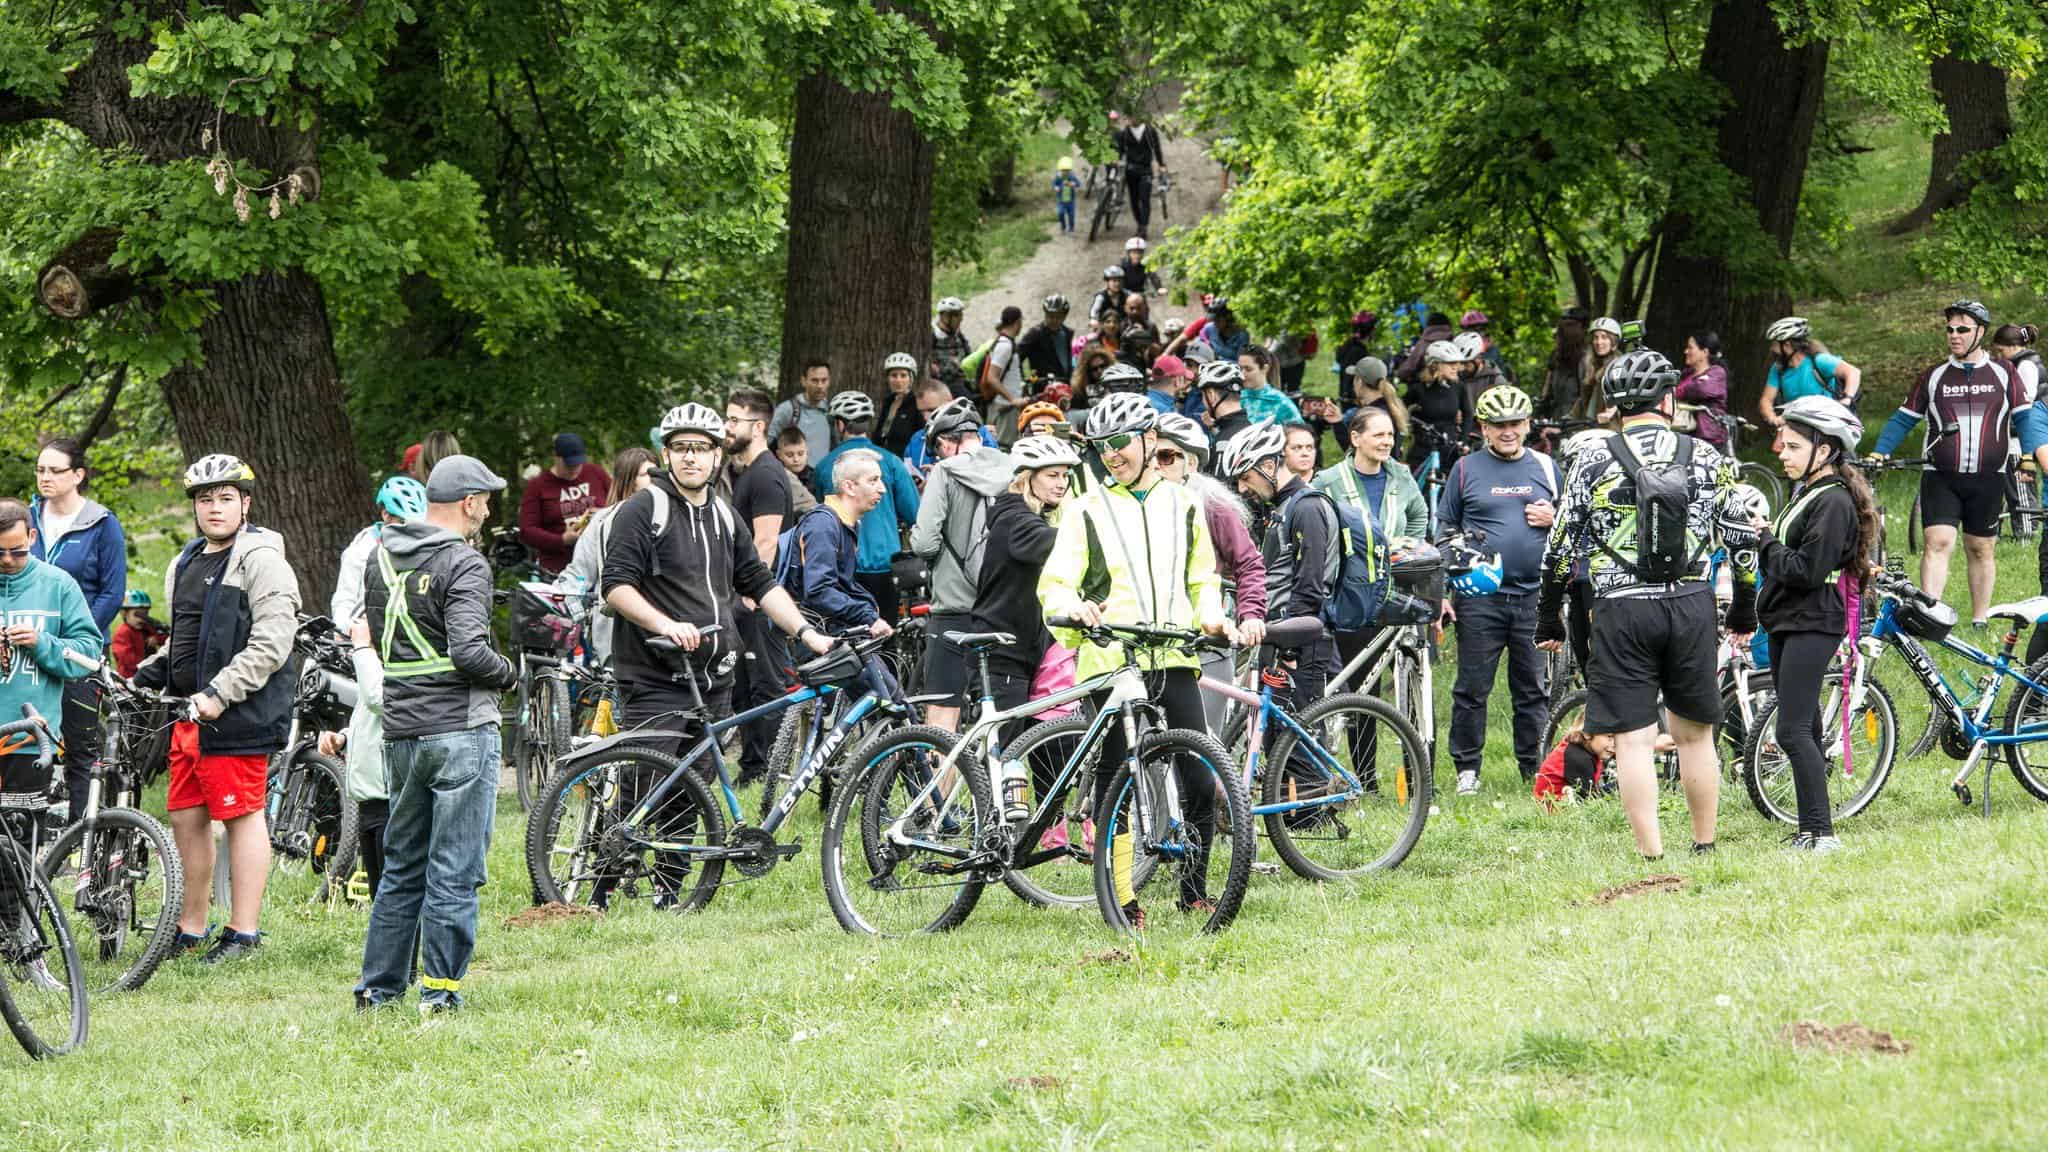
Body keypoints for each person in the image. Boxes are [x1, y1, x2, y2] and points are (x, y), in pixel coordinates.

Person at [600, 405, 833, 899]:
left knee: (693, 790)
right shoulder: (643, 509)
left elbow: (759, 582)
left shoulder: (726, 515)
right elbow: (615, 587)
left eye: (701, 448)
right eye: (681, 448)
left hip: (714, 676)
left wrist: (807, 634)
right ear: (667, 454)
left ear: (715, 457)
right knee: (644, 783)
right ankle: (597, 885)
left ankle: (670, 890)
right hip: (655, 671)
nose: (690, 458)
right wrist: (666, 624)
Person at [1537, 350, 1757, 861]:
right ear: (1668, 398)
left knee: (1634, 740)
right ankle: (1705, 844)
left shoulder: (1592, 459)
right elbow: (1741, 540)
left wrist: (1549, 615)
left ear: (1613, 407)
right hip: (1690, 604)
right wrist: (1744, 608)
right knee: (1695, 736)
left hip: (1621, 609)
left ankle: (1651, 855)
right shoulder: (1706, 455)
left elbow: (1561, 546)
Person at [1040, 394, 1231, 925]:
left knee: (1197, 774)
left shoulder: (1184, 502)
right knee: (1115, 779)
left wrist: (1212, 616)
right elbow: (1054, 584)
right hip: (1112, 657)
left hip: (1172, 652)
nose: (1111, 455)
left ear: (1150, 439)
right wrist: (1072, 608)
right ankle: (1121, 898)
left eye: (1121, 442)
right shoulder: (1085, 509)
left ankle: (1193, 890)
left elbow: (1202, 578)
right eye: (1101, 447)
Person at [351, 455, 517, 1011]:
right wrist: (510, 673)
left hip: (400, 731)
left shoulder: (381, 558)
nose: (488, 511)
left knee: (402, 864)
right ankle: (440, 993)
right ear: (468, 502)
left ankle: (378, 990)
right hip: (460, 730)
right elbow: (470, 651)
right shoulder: (463, 562)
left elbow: (378, 641)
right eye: (486, 501)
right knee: (455, 867)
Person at [134, 454, 301, 963]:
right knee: (186, 816)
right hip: (189, 714)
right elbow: (185, 639)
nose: (215, 507)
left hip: (238, 711)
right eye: (205, 499)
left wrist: (219, 693)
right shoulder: (184, 561)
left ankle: (243, 933)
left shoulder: (261, 559)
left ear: (245, 503)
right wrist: (145, 674)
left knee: (242, 816)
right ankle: (191, 927)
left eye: (226, 498)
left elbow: (274, 641)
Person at [1748, 395, 1877, 853]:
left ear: (1824, 451)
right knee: (1800, 726)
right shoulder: (1810, 494)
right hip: (1789, 620)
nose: (1781, 452)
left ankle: (1821, 834)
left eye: (1794, 446)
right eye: (1783, 444)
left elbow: (1804, 569)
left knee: (1792, 729)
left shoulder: (1834, 502)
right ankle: (1812, 828)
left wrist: (1764, 539)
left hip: (1813, 620)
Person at [1871, 300, 2024, 626]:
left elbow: (2027, 418)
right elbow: (1903, 419)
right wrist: (1880, 451)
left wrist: (2032, 456)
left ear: (1980, 332)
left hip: (1988, 476)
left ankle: (1980, 619)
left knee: (1980, 548)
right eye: (1950, 330)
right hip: (1940, 476)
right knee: (1937, 543)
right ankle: (1932, 616)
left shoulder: (2004, 372)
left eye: (1962, 330)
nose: (1954, 336)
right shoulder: (1934, 376)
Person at [1438, 385, 1559, 792]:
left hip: (1533, 596)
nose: (1508, 431)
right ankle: (1467, 770)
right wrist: (1453, 572)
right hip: (1480, 598)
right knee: (1473, 687)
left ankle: (1533, 766)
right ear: (1484, 429)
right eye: (1499, 425)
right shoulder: (1465, 469)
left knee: (1532, 689)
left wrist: (1553, 518)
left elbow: (1574, 525)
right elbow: (1444, 530)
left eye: (1515, 423)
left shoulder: (1545, 466)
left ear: (1527, 425)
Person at [1220, 420, 1337, 772]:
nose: (1242, 487)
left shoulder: (1308, 507)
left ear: (1268, 466)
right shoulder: (1281, 509)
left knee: (1297, 737)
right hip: (1280, 635)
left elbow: (1310, 586)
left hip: (1303, 639)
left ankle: (1311, 815)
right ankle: (1286, 815)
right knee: (1275, 735)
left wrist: (1290, 648)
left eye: (1245, 476)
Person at [29, 437, 126, 824]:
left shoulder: (102, 524)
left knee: (81, 746)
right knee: (25, 742)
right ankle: (26, 837)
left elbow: (112, 591)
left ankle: (80, 839)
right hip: (27, 651)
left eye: (55, 470)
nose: (45, 477)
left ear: (78, 475)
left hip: (78, 653)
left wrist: (73, 636)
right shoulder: (27, 520)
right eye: (40, 470)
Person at [1155, 415, 1267, 735]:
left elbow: (1248, 563)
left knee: (1202, 747)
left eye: (1166, 457)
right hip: (1155, 641)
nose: (1156, 465)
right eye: (1152, 456)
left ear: (1190, 463)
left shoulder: (1213, 505)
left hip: (1206, 643)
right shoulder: (1139, 504)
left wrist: (1251, 615)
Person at [909, 398, 1014, 733]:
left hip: (953, 608)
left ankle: (942, 786)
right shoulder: (1013, 467)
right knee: (1006, 712)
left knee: (942, 713)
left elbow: (924, 542)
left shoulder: (944, 471)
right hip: (1004, 607)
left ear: (944, 442)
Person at [971, 437, 1083, 748]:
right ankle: (974, 796)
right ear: (1026, 477)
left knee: (1026, 751)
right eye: (1052, 475)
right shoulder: (1015, 521)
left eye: (1064, 475)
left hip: (1026, 652)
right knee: (1002, 755)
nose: (1061, 484)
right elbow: (1057, 543)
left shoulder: (1030, 516)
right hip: (1003, 653)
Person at [0, 497, 101, 831]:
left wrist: (43, 643)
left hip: (29, 740)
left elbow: (89, 653)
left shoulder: (58, 585)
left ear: (31, 537)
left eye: (17, 550)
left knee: (18, 853)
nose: (8, 560)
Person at [723, 388, 793, 785]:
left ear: (759, 426)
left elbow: (766, 540)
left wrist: (752, 594)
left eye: (735, 420)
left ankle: (769, 768)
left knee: (766, 684)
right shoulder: (748, 473)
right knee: (746, 686)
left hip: (760, 601)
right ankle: (752, 766)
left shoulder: (766, 474)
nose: (727, 427)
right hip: (747, 598)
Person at [813, 392, 921, 621]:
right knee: (887, 639)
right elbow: (914, 513)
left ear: (840, 424)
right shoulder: (890, 461)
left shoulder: (825, 467)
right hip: (886, 565)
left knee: (850, 641)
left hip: (844, 567)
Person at [559, 448, 658, 668]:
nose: (654, 478)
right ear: (629, 479)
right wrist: (556, 598)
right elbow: (579, 572)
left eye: (656, 472)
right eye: (645, 474)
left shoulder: (670, 515)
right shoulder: (603, 520)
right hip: (616, 628)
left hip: (663, 625)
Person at [792, 451, 896, 648]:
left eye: (880, 480)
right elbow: (819, 590)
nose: (882, 489)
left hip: (832, 632)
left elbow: (842, 584)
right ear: (849, 486)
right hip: (817, 640)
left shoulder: (849, 524)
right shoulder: (823, 525)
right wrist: (867, 616)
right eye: (873, 481)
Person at [319, 613, 388, 901]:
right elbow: (370, 718)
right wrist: (345, 738)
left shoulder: (391, 665)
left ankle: (405, 946)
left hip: (391, 802)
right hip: (369, 800)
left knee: (393, 895)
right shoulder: (373, 666)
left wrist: (362, 647)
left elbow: (378, 698)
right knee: (378, 894)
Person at [1314, 407, 1429, 539]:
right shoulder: (1327, 481)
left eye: (1390, 435)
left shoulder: (1402, 476)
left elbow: (1418, 515)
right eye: (1379, 435)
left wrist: (1409, 550)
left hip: (1395, 560)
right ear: (1355, 438)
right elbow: (1307, 526)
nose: (1387, 442)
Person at [335, 476, 430, 632]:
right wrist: (350, 630)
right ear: (386, 514)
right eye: (404, 524)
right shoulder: (360, 551)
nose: (412, 532)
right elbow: (344, 602)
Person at [518, 433, 611, 576]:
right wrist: (561, 540)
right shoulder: (538, 486)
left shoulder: (595, 473)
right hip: (558, 569)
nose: (574, 469)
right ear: (556, 457)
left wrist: (601, 514)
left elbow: (618, 502)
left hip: (599, 562)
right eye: (569, 464)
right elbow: (527, 531)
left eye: (578, 463)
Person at [1759, 316, 1864, 426]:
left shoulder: (1818, 360)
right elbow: (1766, 399)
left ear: (1786, 345)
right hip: (1797, 422)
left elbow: (1853, 372)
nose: (1772, 349)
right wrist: (1773, 418)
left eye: (1774, 344)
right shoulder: (1778, 369)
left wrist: (1846, 399)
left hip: (1826, 421)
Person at [1405, 339, 1475, 475]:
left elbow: (1468, 414)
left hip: (1449, 448)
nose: (1457, 367)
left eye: (1458, 363)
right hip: (1422, 449)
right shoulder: (1419, 388)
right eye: (1450, 363)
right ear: (1435, 365)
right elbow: (1399, 410)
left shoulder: (1459, 387)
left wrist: (1463, 441)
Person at [905, 379, 1000, 470]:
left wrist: (943, 475)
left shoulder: (978, 433)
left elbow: (992, 470)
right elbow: (908, 475)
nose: (926, 417)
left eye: (932, 410)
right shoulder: (917, 438)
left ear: (949, 402)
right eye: (921, 412)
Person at [770, 359, 835, 465]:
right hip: (793, 477)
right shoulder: (787, 410)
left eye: (824, 380)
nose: (820, 386)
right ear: (803, 381)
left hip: (821, 476)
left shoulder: (831, 411)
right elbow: (766, 443)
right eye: (814, 380)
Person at [1115, 112, 1167, 238]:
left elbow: (1157, 148)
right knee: (1133, 199)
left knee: (1144, 199)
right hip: (1131, 170)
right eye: (1130, 116)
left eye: (1133, 116)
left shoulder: (1150, 131)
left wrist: (1161, 164)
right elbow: (1120, 150)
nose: (1131, 119)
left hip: (1145, 170)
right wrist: (1116, 160)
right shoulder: (1125, 133)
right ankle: (1139, 223)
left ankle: (1143, 227)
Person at [1676, 332, 1731, 451]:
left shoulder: (1717, 373)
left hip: (1708, 437)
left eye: (1690, 347)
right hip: (1685, 434)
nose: (1686, 351)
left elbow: (1702, 389)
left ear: (1704, 352)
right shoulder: (1686, 374)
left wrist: (1681, 391)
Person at [983, 306, 1028, 443]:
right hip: (1005, 408)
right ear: (1018, 322)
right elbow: (992, 377)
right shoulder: (1005, 346)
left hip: (1007, 406)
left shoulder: (1004, 343)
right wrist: (1012, 399)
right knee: (1003, 446)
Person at [1196, 360, 1252, 470]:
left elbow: (1218, 486)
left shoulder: (1223, 443)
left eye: (1202, 396)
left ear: (1211, 395)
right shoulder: (1252, 428)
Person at [1540, 309, 1588, 421]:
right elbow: (1547, 387)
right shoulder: (1556, 355)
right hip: (1556, 415)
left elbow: (1585, 394)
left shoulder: (1586, 359)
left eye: (1570, 326)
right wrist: (1543, 406)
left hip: (1576, 420)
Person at [1238, 347, 1303, 427]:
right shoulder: (1234, 398)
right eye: (1240, 368)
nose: (1242, 374)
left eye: (1248, 369)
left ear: (1265, 368)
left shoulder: (1281, 402)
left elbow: (1300, 435)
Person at [109, 589, 168, 679]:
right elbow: (128, 661)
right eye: (137, 614)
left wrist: (156, 639)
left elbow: (166, 638)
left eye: (145, 614)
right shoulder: (122, 633)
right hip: (129, 678)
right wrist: (150, 663)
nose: (141, 619)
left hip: (146, 674)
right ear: (124, 613)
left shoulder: (146, 628)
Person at [1019, 295, 1075, 387]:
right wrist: (1029, 378)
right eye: (1050, 316)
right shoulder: (1035, 334)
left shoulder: (1067, 333)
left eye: (1058, 317)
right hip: (1043, 387)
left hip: (1064, 385)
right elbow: (1018, 357)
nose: (1054, 320)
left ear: (1065, 316)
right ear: (1045, 314)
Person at [1575, 317, 1623, 421]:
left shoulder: (1620, 365)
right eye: (1595, 337)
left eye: (1604, 337)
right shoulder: (1589, 365)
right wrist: (1567, 420)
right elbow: (1582, 401)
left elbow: (1623, 395)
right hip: (1589, 427)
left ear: (1613, 341)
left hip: (1612, 429)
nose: (1598, 342)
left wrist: (1611, 410)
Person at [877, 353, 924, 457]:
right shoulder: (888, 402)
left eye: (903, 375)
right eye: (894, 375)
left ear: (910, 379)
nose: (898, 380)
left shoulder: (917, 404)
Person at [931, 298, 973, 399]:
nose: (960, 319)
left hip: (961, 381)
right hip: (943, 385)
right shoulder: (932, 336)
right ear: (945, 316)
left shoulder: (958, 336)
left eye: (960, 315)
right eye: (957, 316)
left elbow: (969, 355)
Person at [1460, 310, 1515, 383]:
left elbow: (1499, 371)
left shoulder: (1491, 349)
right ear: (1464, 331)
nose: (1478, 332)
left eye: (1481, 329)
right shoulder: (1458, 348)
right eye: (1473, 329)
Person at [774, 426, 819, 515]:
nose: (796, 459)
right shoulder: (775, 477)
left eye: (800, 453)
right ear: (779, 455)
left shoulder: (817, 476)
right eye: (789, 455)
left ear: (807, 451)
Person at [1053, 156, 1080, 233]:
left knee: (1071, 215)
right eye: (1063, 170)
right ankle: (1063, 226)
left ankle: (1071, 227)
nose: (1065, 172)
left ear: (1070, 170)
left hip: (1070, 201)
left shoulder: (1072, 177)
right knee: (1060, 213)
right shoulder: (1058, 177)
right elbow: (1054, 184)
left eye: (1067, 170)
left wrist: (1072, 184)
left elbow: (1078, 184)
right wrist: (1056, 187)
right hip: (1061, 200)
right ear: (1060, 170)